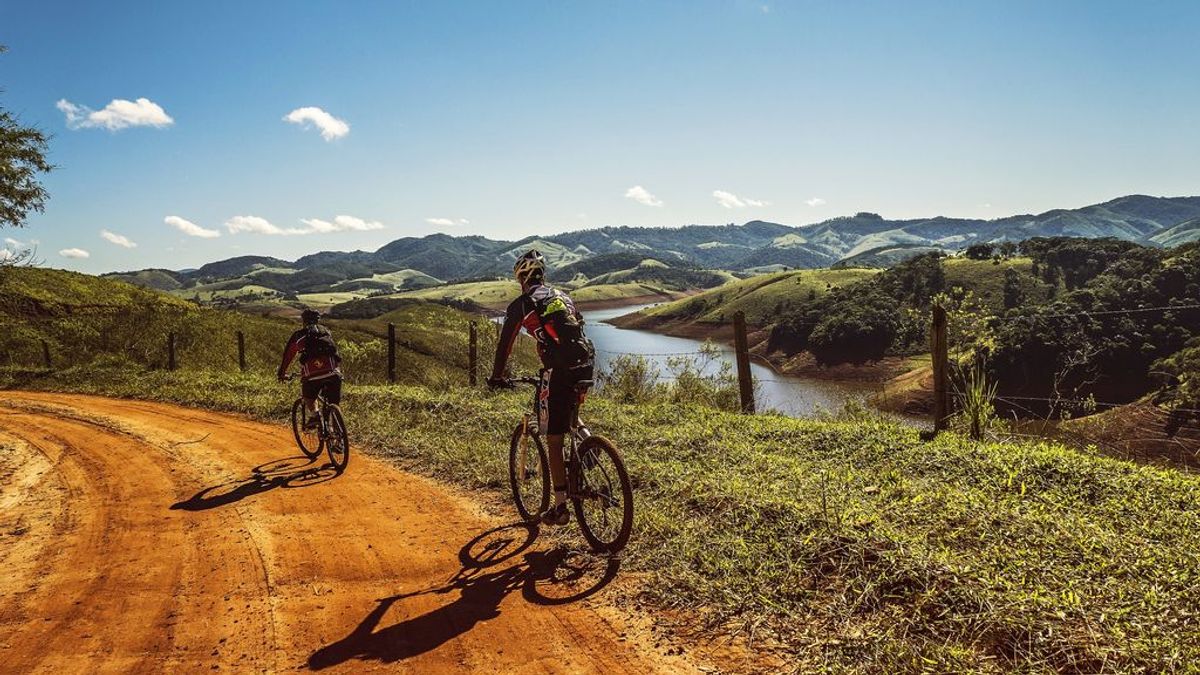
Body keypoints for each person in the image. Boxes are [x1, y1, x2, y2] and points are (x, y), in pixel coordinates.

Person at [488, 249, 595, 526]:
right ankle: (591, 444)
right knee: (570, 414)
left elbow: (505, 345)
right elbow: (578, 328)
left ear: (521, 278)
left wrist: (497, 376)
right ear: (542, 276)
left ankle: (560, 508)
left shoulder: (522, 304)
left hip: (558, 371)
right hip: (585, 364)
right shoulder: (562, 296)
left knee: (554, 438)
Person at [277, 309, 343, 428]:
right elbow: (335, 353)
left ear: (304, 321)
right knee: (334, 403)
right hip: (334, 373)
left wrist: (282, 373)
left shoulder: (299, 336)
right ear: (318, 320)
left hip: (312, 376)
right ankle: (338, 438)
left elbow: (288, 355)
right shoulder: (326, 332)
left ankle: (315, 415)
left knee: (309, 396)